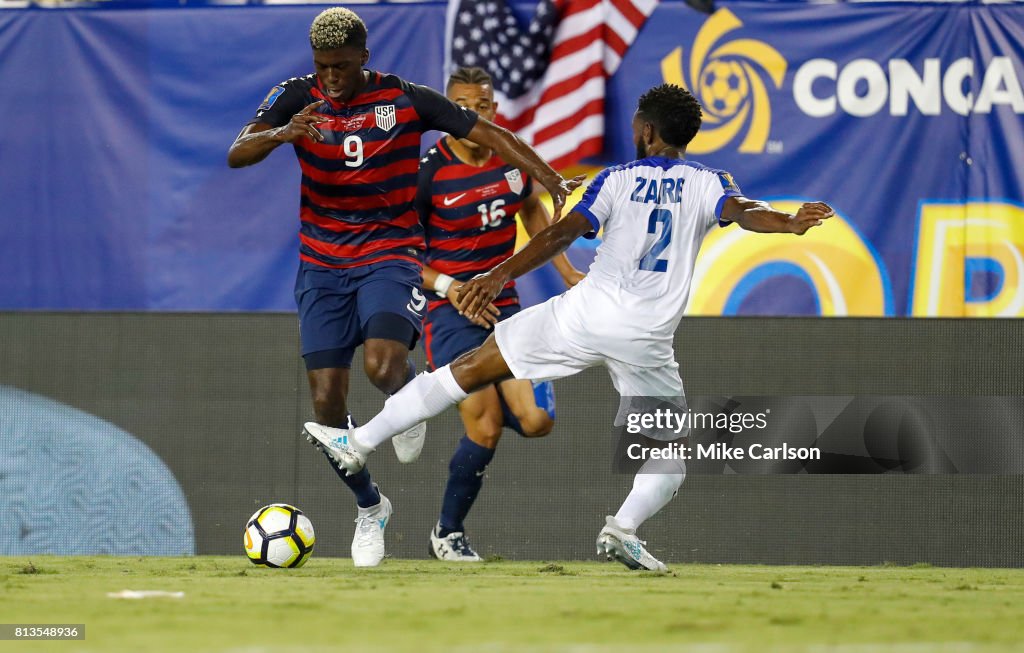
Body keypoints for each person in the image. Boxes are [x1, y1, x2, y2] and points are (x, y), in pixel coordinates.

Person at [303, 83, 833, 571]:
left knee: (468, 369)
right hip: (647, 339)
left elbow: (559, 235)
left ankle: (363, 440)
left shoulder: (616, 180)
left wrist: (499, 273)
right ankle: (623, 528)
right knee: (669, 453)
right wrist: (789, 222)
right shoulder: (709, 183)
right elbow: (746, 212)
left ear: (646, 131)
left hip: (585, 315)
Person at [227, 7, 583, 567]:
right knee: (326, 407)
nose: (331, 79)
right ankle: (371, 508)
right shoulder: (297, 95)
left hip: (389, 254)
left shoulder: (405, 100)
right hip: (321, 265)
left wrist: (553, 178)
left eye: (342, 67)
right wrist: (282, 132)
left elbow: (489, 133)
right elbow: (237, 152)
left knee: (383, 365)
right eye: (323, 67)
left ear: (364, 59)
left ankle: (404, 398)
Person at [417, 67, 586, 561]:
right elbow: (400, 252)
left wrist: (565, 270)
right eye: (463, 105)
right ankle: (447, 533)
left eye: (484, 106)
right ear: (447, 112)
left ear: (495, 109)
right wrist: (447, 287)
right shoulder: (427, 170)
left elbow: (530, 209)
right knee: (485, 426)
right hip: (448, 312)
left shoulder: (512, 159)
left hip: (503, 305)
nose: (475, 114)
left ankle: (460, 395)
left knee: (535, 421)